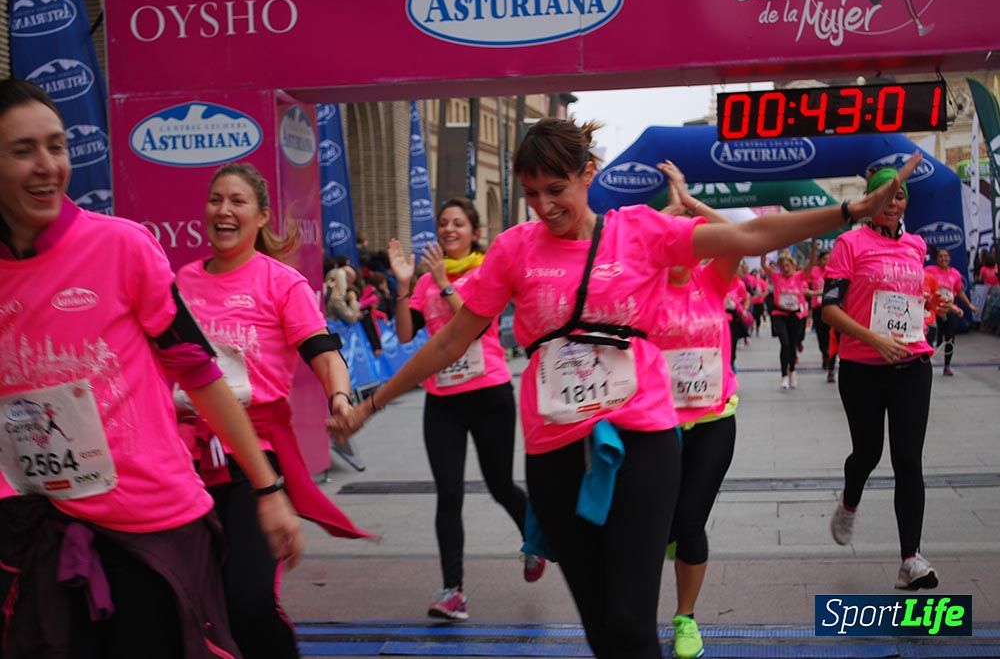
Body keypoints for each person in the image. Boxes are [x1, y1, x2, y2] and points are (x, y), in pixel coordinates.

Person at [328, 119, 920, 659]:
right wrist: (370, 403)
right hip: (554, 451)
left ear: (588, 174)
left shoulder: (637, 231)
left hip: (643, 439)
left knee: (632, 621)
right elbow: (447, 342)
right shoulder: (513, 249)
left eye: (555, 189)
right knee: (601, 630)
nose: (543, 206)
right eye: (531, 193)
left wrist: (850, 211)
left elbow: (752, 236)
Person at [0, 78, 302, 659]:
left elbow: (200, 374)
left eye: (56, 147)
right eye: (23, 151)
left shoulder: (123, 247)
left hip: (149, 525)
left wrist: (267, 488)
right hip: (36, 529)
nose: (47, 167)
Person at [173, 162, 370, 659]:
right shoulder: (182, 281)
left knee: (249, 600)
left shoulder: (281, 283)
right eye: (216, 199)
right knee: (194, 601)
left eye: (237, 201)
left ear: (261, 216)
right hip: (186, 459)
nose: (224, 210)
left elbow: (324, 353)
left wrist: (341, 398)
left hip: (252, 457)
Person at [387, 197, 542, 621]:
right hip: (443, 402)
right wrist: (404, 283)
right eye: (442, 223)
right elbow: (403, 335)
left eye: (458, 223)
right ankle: (452, 590)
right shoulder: (422, 283)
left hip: (489, 395)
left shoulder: (485, 272)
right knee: (449, 493)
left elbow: (481, 328)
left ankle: (536, 537)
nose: (448, 230)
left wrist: (445, 283)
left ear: (474, 232)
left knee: (499, 486)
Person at [823, 164, 940, 591]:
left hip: (912, 364)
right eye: (886, 195)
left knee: (908, 460)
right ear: (870, 201)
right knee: (867, 454)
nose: (894, 203)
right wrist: (873, 339)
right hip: (862, 368)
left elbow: (907, 301)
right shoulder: (848, 243)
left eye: (900, 195)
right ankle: (849, 500)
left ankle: (911, 559)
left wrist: (930, 309)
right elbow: (830, 310)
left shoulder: (916, 244)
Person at [651, 161, 743, 659]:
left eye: (691, 238)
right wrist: (666, 216)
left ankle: (685, 618)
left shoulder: (713, 280)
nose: (684, 248)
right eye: (673, 239)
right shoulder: (643, 289)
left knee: (689, 519)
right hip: (659, 426)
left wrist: (692, 206)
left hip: (713, 420)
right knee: (660, 523)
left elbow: (741, 235)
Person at [760, 248, 815, 389]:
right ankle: (784, 375)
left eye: (788, 266)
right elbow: (764, 265)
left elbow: (810, 265)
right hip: (780, 315)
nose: (785, 269)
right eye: (783, 266)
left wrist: (813, 248)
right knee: (784, 343)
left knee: (792, 345)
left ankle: (792, 371)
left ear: (793, 266)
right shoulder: (776, 277)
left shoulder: (799, 276)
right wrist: (763, 249)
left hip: (795, 315)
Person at [924, 248, 977, 376]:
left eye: (946, 256)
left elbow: (959, 292)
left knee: (950, 337)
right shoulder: (929, 271)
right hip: (934, 308)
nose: (943, 259)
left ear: (949, 258)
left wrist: (969, 305)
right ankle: (925, 364)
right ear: (936, 259)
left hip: (950, 308)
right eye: (941, 256)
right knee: (932, 336)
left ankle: (947, 366)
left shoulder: (955, 274)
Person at [810, 248, 836, 379]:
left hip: (833, 307)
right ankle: (825, 353)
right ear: (820, 261)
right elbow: (804, 284)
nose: (827, 261)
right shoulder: (814, 272)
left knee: (832, 336)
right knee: (821, 335)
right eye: (824, 259)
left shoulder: (835, 271)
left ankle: (830, 362)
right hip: (818, 307)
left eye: (829, 258)